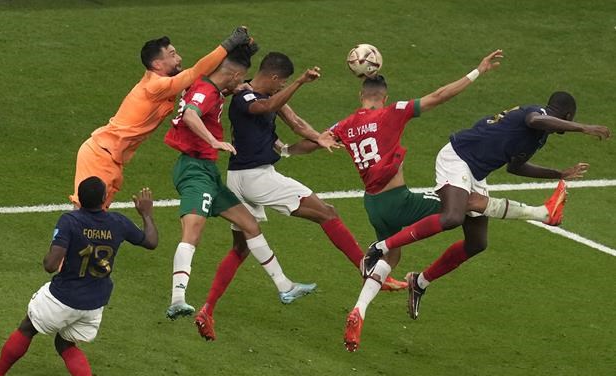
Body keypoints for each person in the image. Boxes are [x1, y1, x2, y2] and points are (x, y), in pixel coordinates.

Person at [328, 50, 578, 351]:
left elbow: (316, 139)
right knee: (457, 211)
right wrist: (477, 71)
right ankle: (543, 213)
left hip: (374, 204)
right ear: (385, 95)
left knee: (470, 243)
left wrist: (289, 146)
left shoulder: (346, 124)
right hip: (421, 184)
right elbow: (439, 96)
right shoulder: (392, 111)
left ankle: (367, 306)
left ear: (361, 94)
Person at [189, 52, 405, 341]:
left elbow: (295, 122)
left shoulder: (266, 95)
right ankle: (366, 269)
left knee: (240, 248)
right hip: (257, 178)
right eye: (283, 82)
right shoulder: (245, 97)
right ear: (274, 78)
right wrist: (301, 82)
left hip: (239, 177)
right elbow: (267, 106)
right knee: (327, 213)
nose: (283, 86)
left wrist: (319, 137)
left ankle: (207, 310)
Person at [361, 90, 611, 323]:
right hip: (457, 157)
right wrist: (583, 128)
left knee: (477, 243)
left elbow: (515, 167)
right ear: (567, 116)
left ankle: (419, 282)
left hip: (475, 172)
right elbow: (535, 120)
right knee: (452, 217)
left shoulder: (539, 137)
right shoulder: (537, 114)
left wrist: (559, 173)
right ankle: (381, 247)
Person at [0, 177, 158, 376]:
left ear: (79, 199)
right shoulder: (118, 222)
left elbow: (50, 265)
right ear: (105, 199)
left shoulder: (70, 221)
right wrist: (146, 214)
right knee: (65, 343)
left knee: (27, 328)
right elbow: (151, 242)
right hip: (93, 305)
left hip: (62, 298)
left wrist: (53, 253)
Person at [163, 45, 316, 324]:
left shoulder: (212, 86)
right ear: (233, 75)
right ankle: (177, 299)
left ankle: (285, 287)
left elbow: (221, 87)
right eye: (240, 78)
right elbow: (190, 115)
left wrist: (241, 51)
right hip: (194, 170)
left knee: (250, 225)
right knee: (193, 231)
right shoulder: (206, 91)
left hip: (209, 171)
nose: (243, 84)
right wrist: (214, 141)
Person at [69, 27, 253, 209]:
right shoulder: (156, 87)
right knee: (84, 217)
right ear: (157, 64)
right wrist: (230, 43)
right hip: (100, 156)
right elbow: (196, 72)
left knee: (94, 217)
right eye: (172, 55)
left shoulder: (162, 84)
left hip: (110, 158)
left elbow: (204, 90)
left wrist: (232, 88)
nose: (179, 58)